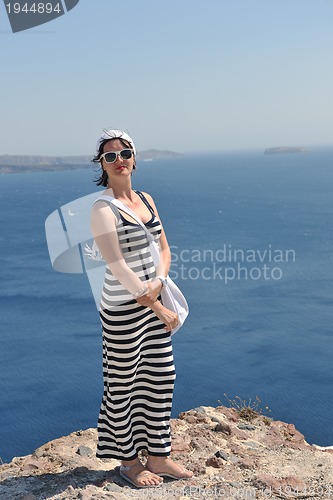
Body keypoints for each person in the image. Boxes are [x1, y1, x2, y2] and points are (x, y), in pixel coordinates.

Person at [90, 129, 193, 488]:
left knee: (161, 376)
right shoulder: (103, 209)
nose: (119, 160)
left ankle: (160, 457)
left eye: (124, 153)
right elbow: (116, 265)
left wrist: (160, 284)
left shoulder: (147, 199)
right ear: (102, 165)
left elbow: (164, 249)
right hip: (122, 309)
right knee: (123, 384)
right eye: (110, 156)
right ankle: (130, 463)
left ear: (134, 157)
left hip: (153, 294)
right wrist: (158, 307)